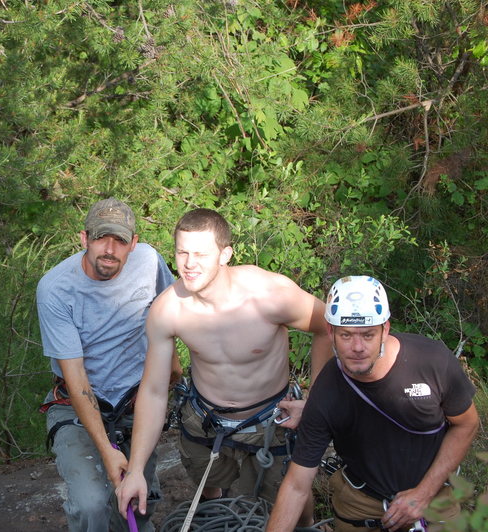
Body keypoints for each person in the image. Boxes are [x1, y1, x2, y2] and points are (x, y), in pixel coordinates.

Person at [116, 208, 332, 522]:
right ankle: (214, 515)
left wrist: (315, 400)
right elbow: (153, 391)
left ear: (225, 254)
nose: (189, 264)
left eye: (201, 254)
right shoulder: (169, 309)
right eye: (182, 252)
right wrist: (136, 469)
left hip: (268, 420)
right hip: (204, 420)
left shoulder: (269, 295)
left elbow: (327, 327)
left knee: (291, 505)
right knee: (210, 491)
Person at [265, 275, 479, 532]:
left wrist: (423, 493)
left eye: (367, 335)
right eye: (346, 335)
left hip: (434, 496)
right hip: (361, 502)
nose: (357, 347)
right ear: (331, 332)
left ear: (385, 330)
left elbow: (466, 425)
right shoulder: (327, 392)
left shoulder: (431, 362)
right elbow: (297, 485)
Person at [36, 197, 180, 531]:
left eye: (119, 241)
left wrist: (173, 368)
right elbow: (76, 378)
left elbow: (169, 312)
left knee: (139, 504)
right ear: (84, 239)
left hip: (136, 399)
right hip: (77, 403)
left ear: (134, 243)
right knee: (91, 505)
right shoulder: (56, 289)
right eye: (101, 238)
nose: (109, 249)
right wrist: (106, 450)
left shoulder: (148, 262)